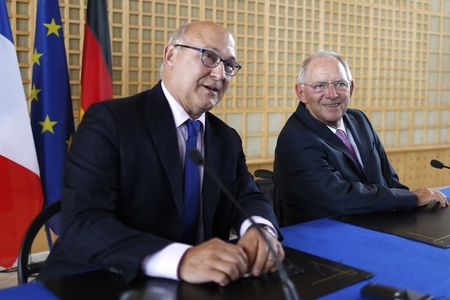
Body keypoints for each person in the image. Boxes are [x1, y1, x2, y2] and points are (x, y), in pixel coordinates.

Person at [38, 21, 284, 286]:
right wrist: (181, 259)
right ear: (171, 56)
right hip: (103, 280)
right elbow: (83, 224)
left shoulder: (226, 138)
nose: (220, 74)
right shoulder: (110, 122)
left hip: (196, 285)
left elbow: (247, 195)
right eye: (210, 57)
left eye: (228, 65)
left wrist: (259, 227)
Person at [273, 50, 448, 225]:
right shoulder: (295, 138)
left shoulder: (359, 119)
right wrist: (411, 198)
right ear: (301, 93)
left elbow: (389, 179)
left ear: (351, 88)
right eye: (320, 86)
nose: (332, 93)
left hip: (379, 227)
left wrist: (413, 207)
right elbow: (339, 198)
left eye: (340, 84)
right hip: (326, 239)